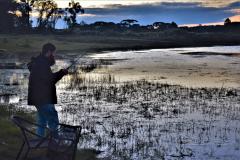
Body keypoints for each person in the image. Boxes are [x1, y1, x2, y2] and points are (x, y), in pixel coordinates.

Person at [27, 43, 68, 137]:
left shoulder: (39, 62)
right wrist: (61, 73)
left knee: (42, 121)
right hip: (43, 98)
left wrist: (60, 73)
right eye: (53, 53)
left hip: (38, 98)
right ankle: (55, 142)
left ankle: (39, 142)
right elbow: (50, 80)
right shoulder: (42, 64)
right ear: (49, 52)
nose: (53, 56)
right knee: (53, 119)